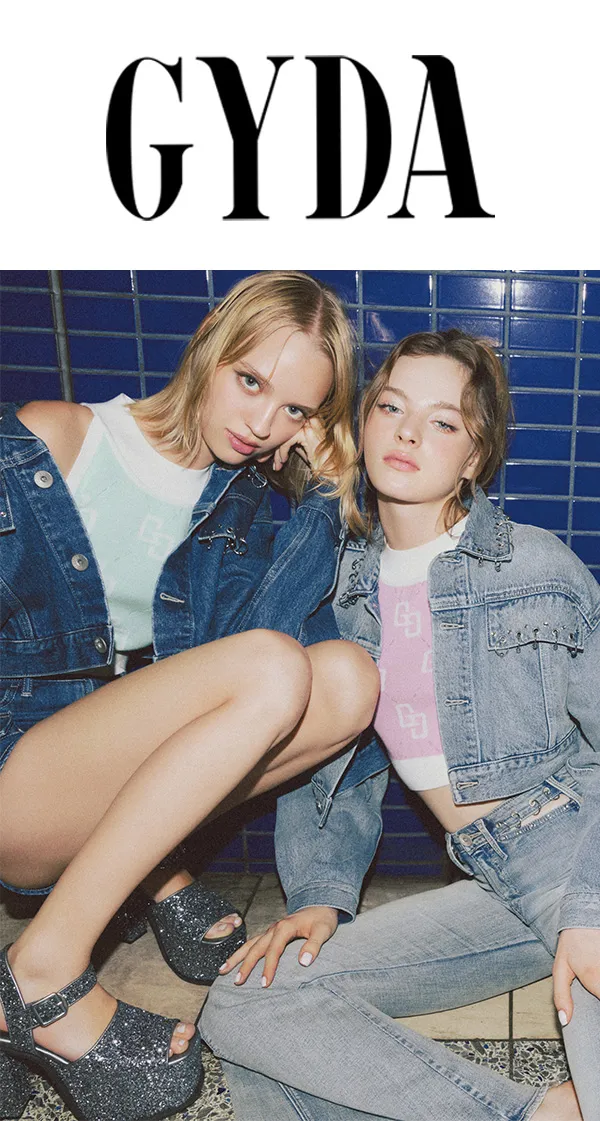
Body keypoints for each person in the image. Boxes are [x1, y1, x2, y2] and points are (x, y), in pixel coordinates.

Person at [0, 271, 381, 1121]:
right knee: (274, 669)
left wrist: (323, 493)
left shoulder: (237, 502)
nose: (261, 423)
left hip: (91, 788)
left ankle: (147, 877)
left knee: (347, 679)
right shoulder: (60, 437)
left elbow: (258, 676)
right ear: (212, 335)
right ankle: (42, 970)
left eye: (294, 409)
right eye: (250, 380)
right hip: (15, 774)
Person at [203, 329, 600, 1121]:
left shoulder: (537, 565)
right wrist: (321, 892)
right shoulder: (345, 585)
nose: (410, 432)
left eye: (444, 421)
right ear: (365, 422)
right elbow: (335, 759)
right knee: (247, 1001)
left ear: (475, 456)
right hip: (489, 881)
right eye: (391, 407)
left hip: (577, 853)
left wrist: (589, 908)